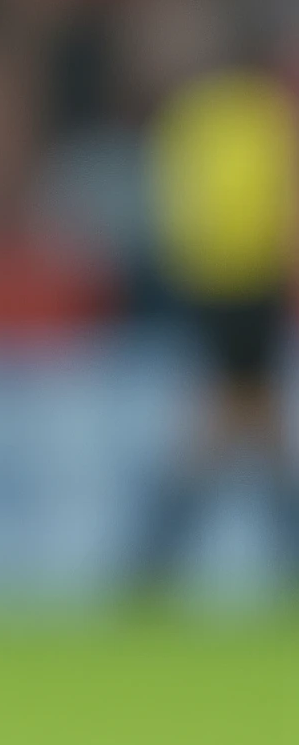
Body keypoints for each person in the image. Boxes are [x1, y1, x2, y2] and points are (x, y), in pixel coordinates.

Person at [128, 60, 299, 583]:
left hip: (211, 284)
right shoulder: (266, 116)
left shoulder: (195, 117)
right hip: (249, 284)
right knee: (240, 417)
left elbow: (172, 203)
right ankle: (160, 549)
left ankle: (160, 548)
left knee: (239, 416)